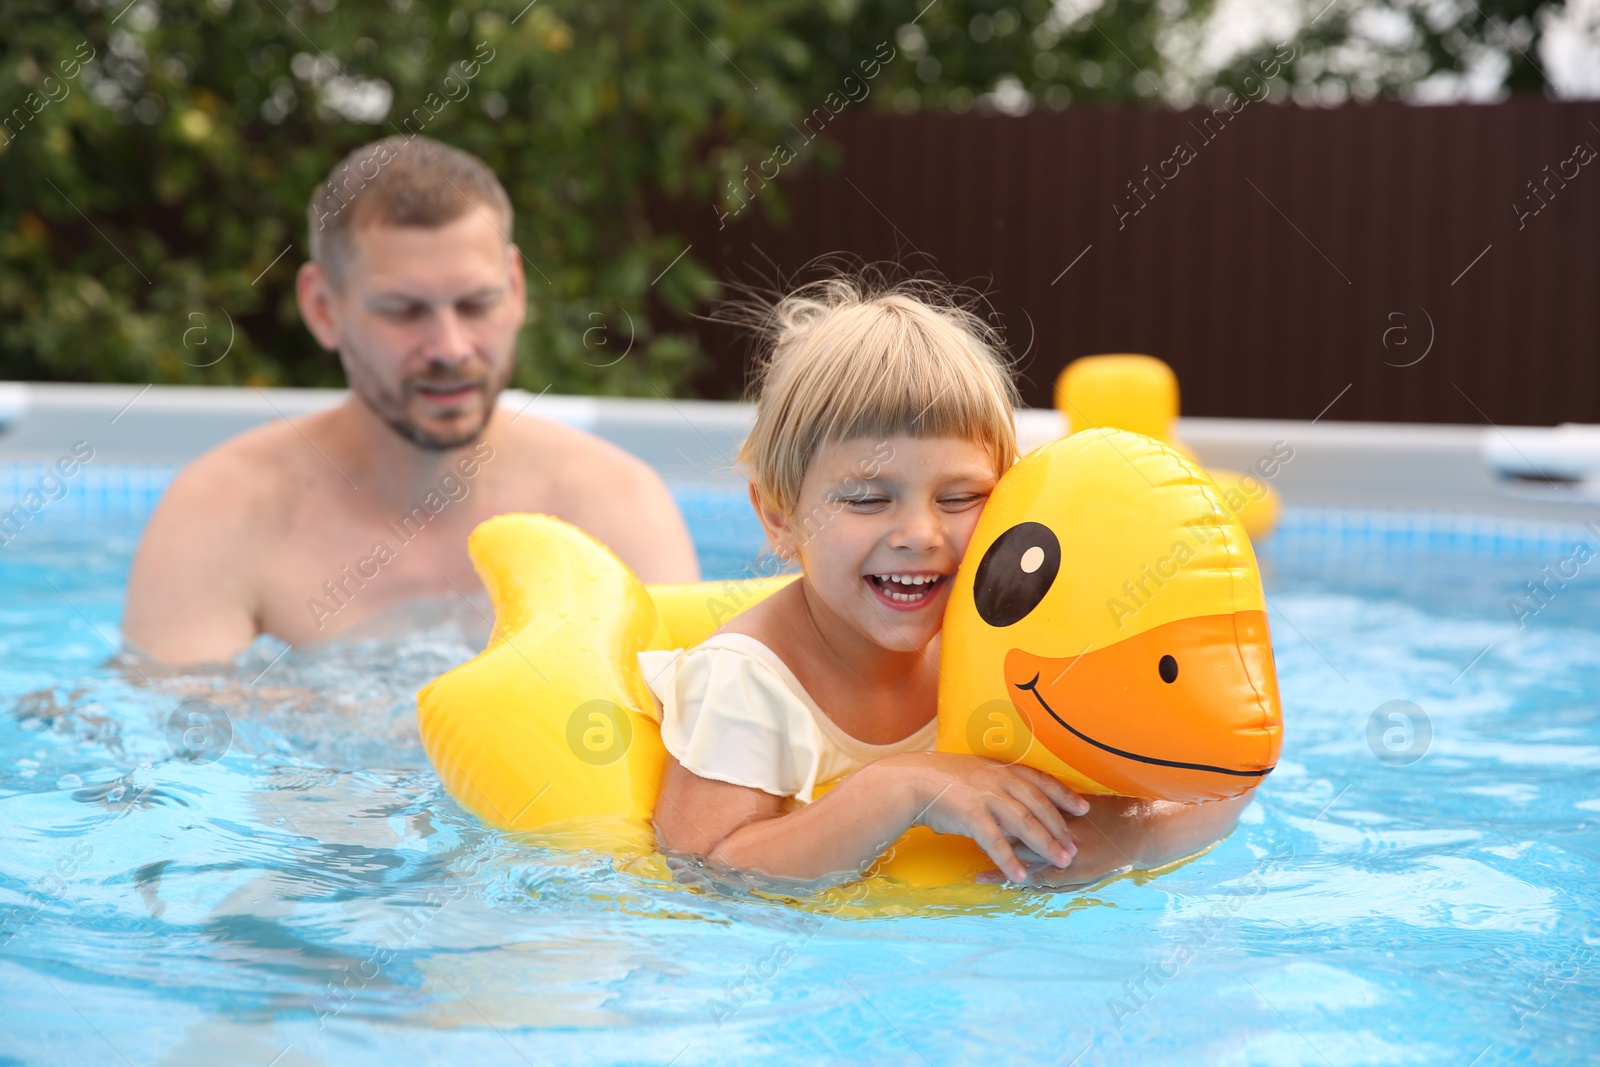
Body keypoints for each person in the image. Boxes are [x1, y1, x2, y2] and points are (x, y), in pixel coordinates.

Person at [649, 276, 1248, 888]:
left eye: (960, 497)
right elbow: (705, 871)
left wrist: (1138, 835)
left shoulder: (1021, 637)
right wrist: (902, 787)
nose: (920, 533)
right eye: (866, 499)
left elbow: (1221, 774)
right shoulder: (744, 681)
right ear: (779, 516)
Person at [124, 136, 699, 665]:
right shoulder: (221, 516)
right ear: (323, 308)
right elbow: (175, 753)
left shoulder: (615, 509)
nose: (450, 348)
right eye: (403, 311)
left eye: (476, 305)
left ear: (517, 289)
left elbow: (694, 750)